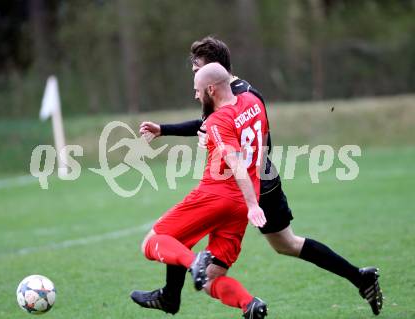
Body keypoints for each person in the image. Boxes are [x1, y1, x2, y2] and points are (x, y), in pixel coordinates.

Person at [132, 36, 383, 316]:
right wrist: (167, 130)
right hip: (258, 178)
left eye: (197, 70)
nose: (195, 76)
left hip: (250, 182)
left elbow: (229, 137)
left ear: (214, 75)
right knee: (286, 244)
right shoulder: (244, 93)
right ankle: (360, 278)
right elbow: (211, 126)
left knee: (181, 237)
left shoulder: (227, 98)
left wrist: (223, 152)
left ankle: (171, 296)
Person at [133, 62, 269, 318]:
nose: (195, 95)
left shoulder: (218, 120)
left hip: (217, 195)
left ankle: (192, 262)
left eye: (197, 90)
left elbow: (235, 161)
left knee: (151, 242)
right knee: (210, 278)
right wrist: (251, 199)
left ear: (210, 89)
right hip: (241, 203)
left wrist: (253, 205)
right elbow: (259, 150)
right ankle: (250, 304)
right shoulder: (253, 101)